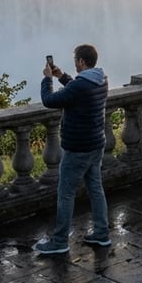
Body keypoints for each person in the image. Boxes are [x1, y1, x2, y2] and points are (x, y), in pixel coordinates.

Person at [34, 44, 110, 255]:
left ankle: (59, 241)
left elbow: (49, 100)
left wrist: (48, 78)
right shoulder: (102, 79)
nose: (75, 63)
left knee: (65, 193)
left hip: (78, 147)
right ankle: (102, 233)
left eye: (76, 60)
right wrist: (62, 76)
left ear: (82, 62)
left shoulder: (79, 87)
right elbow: (78, 90)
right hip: (97, 144)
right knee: (96, 188)